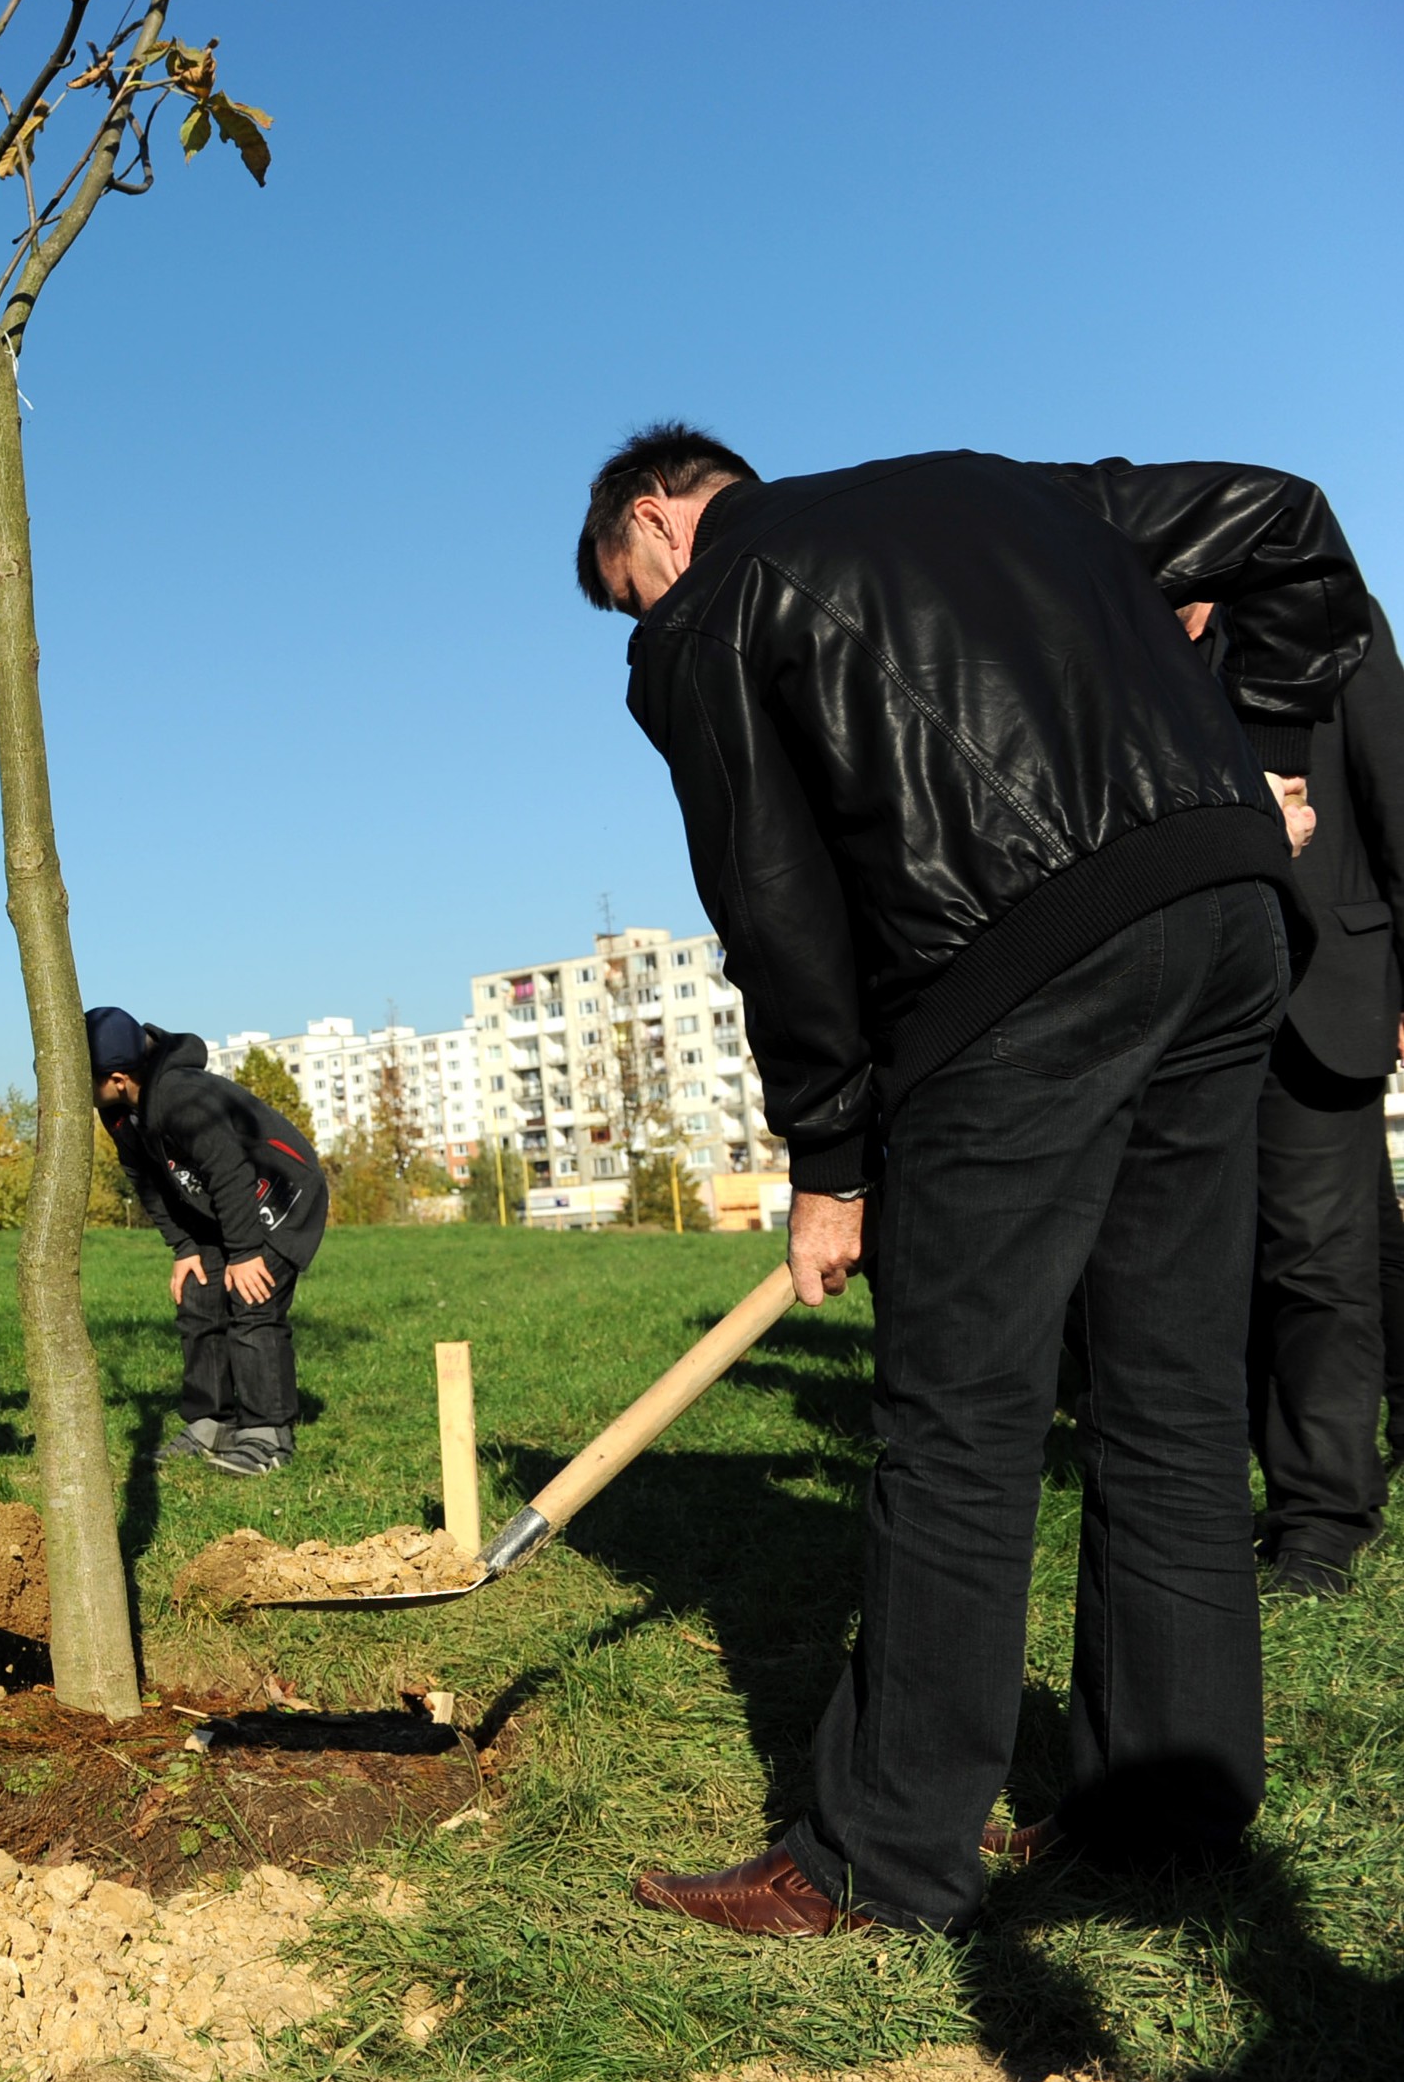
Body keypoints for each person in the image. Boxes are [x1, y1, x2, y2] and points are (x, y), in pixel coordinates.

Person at [580, 426, 1373, 1937]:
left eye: (626, 595)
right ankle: (1162, 1815)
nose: (640, 629)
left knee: (956, 1413)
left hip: (1019, 970)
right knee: (1168, 1386)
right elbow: (1287, 522)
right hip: (1224, 921)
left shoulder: (709, 606)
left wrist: (826, 1156)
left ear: (655, 522)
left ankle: (871, 1860)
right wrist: (1257, 752)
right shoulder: (995, 484)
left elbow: (772, 898)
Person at [1241, 591, 1404, 1596]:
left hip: (1321, 987)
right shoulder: (1109, 635)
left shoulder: (1319, 620)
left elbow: (1395, 794)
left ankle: (1322, 1520)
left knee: (1318, 1258)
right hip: (1186, 999)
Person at [87, 1008, 326, 1475]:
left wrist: (244, 1252)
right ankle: (211, 1421)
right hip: (220, 1204)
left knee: (252, 1303)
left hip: (279, 1193)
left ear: (117, 1077)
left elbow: (228, 1169)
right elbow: (147, 1179)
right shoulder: (117, 1112)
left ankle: (266, 1435)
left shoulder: (182, 1096)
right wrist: (185, 1247)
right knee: (199, 1298)